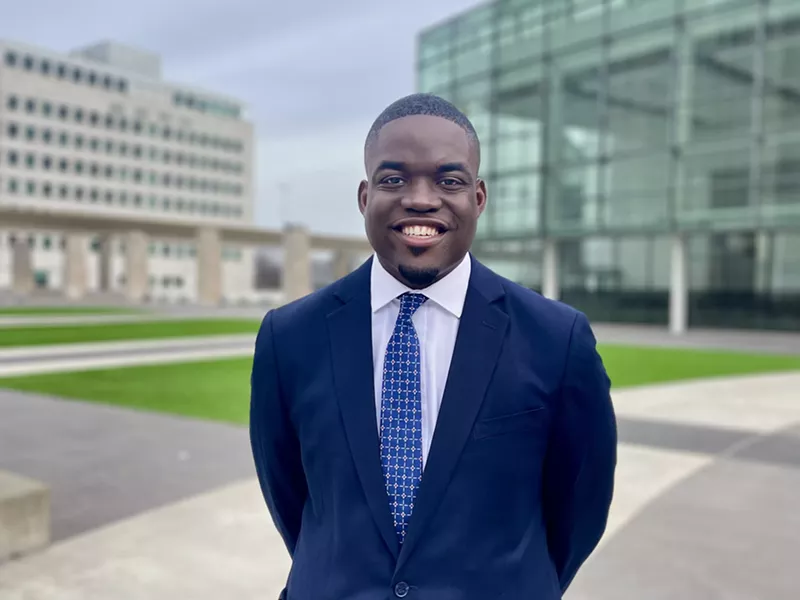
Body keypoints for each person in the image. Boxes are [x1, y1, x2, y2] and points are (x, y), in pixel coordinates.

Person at [250, 93, 617, 600]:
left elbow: (580, 507)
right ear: (364, 197)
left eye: (449, 180)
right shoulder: (289, 337)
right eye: (393, 179)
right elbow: (290, 496)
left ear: (479, 198)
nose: (421, 198)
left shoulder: (557, 339)